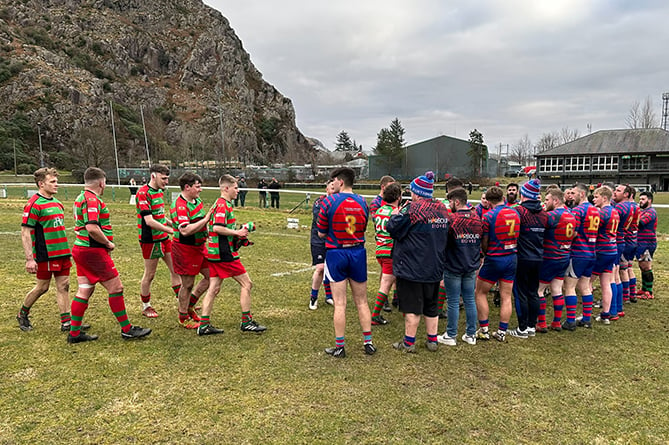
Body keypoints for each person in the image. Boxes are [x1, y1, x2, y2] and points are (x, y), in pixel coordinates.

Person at [68, 167, 151, 343]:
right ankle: (127, 329)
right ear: (101, 182)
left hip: (80, 249)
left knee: (85, 289)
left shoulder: (80, 197)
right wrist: (107, 242)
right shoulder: (92, 200)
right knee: (116, 288)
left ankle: (74, 333)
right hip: (92, 251)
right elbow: (91, 227)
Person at [387, 171, 448, 353]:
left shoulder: (412, 209)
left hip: (412, 266)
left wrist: (396, 214)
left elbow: (393, 227)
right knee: (431, 305)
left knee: (412, 307)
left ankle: (409, 342)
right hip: (435, 265)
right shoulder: (442, 209)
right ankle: (432, 341)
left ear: (416, 192)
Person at [198, 175, 267, 335]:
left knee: (214, 288)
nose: (238, 190)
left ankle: (204, 325)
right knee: (247, 284)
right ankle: (247, 322)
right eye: (236, 188)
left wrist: (239, 232)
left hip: (215, 253)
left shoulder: (220, 203)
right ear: (226, 188)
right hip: (224, 254)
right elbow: (217, 227)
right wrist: (237, 232)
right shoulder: (223, 205)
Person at [317, 167, 375, 358]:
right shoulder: (363, 202)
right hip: (358, 252)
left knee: (340, 304)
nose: (332, 184)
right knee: (362, 301)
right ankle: (368, 343)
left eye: (333, 181)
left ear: (340, 182)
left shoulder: (329, 201)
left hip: (336, 253)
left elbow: (321, 233)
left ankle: (340, 346)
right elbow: (364, 227)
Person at [18, 168, 76, 332]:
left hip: (62, 252)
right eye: (53, 182)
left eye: (56, 181)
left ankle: (67, 323)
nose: (56, 185)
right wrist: (30, 258)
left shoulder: (57, 203)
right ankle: (22, 313)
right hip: (47, 254)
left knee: (64, 286)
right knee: (42, 287)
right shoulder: (34, 204)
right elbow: (25, 232)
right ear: (41, 184)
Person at [474, 186, 520, 342]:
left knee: (480, 292)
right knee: (506, 296)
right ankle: (501, 331)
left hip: (495, 257)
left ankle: (484, 329)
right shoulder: (515, 213)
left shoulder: (488, 216)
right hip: (512, 257)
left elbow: (484, 241)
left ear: (488, 200)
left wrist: (486, 254)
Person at [437, 187, 482, 346]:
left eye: (450, 201)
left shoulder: (452, 219)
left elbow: (443, 241)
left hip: (454, 264)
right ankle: (471, 334)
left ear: (456, 201)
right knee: (470, 299)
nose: (449, 204)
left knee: (453, 301)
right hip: (471, 264)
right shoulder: (477, 218)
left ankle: (451, 334)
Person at [135, 164, 180, 318]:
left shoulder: (159, 192)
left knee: (176, 269)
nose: (166, 181)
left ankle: (183, 301)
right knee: (150, 274)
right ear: (153, 176)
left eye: (167, 178)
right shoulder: (143, 193)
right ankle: (146, 306)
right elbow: (149, 221)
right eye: (164, 178)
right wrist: (171, 230)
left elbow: (160, 216)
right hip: (150, 239)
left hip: (163, 238)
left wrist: (174, 225)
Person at [171, 172, 214, 329]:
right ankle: (183, 316)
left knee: (211, 276)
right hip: (185, 248)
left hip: (200, 247)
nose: (200, 190)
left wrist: (207, 233)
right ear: (187, 187)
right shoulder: (180, 205)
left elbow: (202, 222)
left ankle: (190, 305)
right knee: (187, 284)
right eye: (198, 186)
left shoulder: (197, 200)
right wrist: (206, 220)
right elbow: (185, 230)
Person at [509, 179, 548, 339]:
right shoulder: (544, 213)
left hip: (522, 257)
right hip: (538, 256)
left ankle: (522, 328)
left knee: (520, 293)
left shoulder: (518, 211)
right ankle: (532, 325)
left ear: (523, 194)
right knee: (533, 292)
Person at [537, 188, 577, 331]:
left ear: (556, 201)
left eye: (547, 200)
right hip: (564, 256)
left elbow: (539, 227)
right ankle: (556, 322)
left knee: (539, 290)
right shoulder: (571, 215)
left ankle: (541, 323)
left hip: (550, 256)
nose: (544, 202)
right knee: (557, 289)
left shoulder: (552, 216)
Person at [563, 184, 599, 329]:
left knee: (569, 287)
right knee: (585, 286)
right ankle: (586, 318)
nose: (572, 195)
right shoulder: (595, 210)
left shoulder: (578, 211)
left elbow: (574, 232)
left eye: (574, 193)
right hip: (591, 252)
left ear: (582, 194)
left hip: (578, 252)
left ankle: (570, 321)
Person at [370, 182, 402, 325]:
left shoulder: (379, 211)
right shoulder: (396, 213)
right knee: (386, 283)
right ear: (399, 197)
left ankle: (396, 299)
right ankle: (375, 315)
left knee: (391, 278)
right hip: (390, 251)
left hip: (380, 250)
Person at [592, 186, 620, 324]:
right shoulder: (615, 211)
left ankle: (585, 314)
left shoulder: (602, 213)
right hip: (612, 249)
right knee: (606, 283)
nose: (593, 199)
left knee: (585, 283)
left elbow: (593, 231)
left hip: (601, 250)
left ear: (604, 198)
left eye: (596, 197)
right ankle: (606, 314)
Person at [309, 180, 335, 310]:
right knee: (320, 268)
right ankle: (313, 297)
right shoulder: (320, 202)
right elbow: (321, 218)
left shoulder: (338, 202)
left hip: (333, 240)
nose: (334, 189)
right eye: (332, 187)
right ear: (327, 189)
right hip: (318, 240)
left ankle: (329, 296)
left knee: (330, 268)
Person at [636, 191, 657, 298]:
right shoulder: (643, 211)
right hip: (641, 242)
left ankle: (649, 291)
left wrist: (632, 216)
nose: (640, 201)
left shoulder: (650, 212)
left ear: (649, 200)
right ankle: (644, 289)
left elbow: (641, 223)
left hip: (647, 243)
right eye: (640, 199)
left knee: (646, 266)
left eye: (643, 199)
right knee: (642, 265)